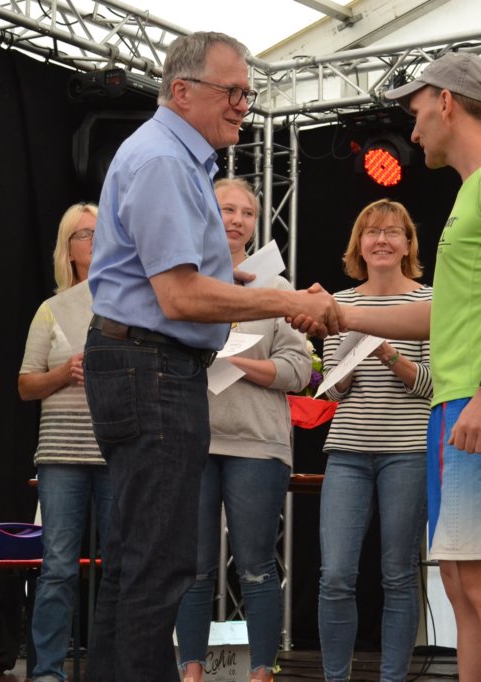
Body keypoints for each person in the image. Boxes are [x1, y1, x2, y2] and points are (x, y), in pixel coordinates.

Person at [82, 31, 340, 681]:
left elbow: (169, 282)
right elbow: (179, 295)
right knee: (159, 561)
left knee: (136, 558)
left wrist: (239, 285)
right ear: (182, 90)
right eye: (233, 91)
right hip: (152, 369)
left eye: (247, 94)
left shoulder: (172, 157)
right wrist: (284, 301)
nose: (243, 106)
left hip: (143, 363)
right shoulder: (165, 161)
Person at [322, 52, 481, 680]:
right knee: (459, 580)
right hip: (455, 406)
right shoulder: (473, 190)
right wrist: (341, 314)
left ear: (447, 102)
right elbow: (439, 316)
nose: (414, 127)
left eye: (417, 109)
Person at [174, 178, 312, 682]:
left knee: (256, 566)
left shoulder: (277, 289)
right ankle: (191, 673)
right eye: (226, 209)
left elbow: (300, 369)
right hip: (192, 440)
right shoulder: (182, 282)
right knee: (192, 568)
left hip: (257, 443)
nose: (235, 220)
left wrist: (236, 364)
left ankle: (260, 674)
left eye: (247, 212)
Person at [317, 199, 432, 682]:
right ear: (359, 245)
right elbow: (332, 389)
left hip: (408, 451)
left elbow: (434, 385)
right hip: (347, 452)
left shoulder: (430, 300)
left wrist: (387, 353)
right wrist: (345, 365)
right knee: (335, 576)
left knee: (398, 575)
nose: (381, 240)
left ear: (408, 245)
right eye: (372, 232)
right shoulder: (339, 303)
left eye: (392, 232)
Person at [18, 202, 113, 682]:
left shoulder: (130, 304)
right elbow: (25, 385)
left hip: (118, 451)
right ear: (67, 249)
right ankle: (47, 673)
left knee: (119, 565)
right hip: (60, 455)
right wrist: (63, 373)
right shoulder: (50, 310)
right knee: (58, 566)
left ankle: (111, 668)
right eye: (84, 234)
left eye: (101, 231)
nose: (94, 241)